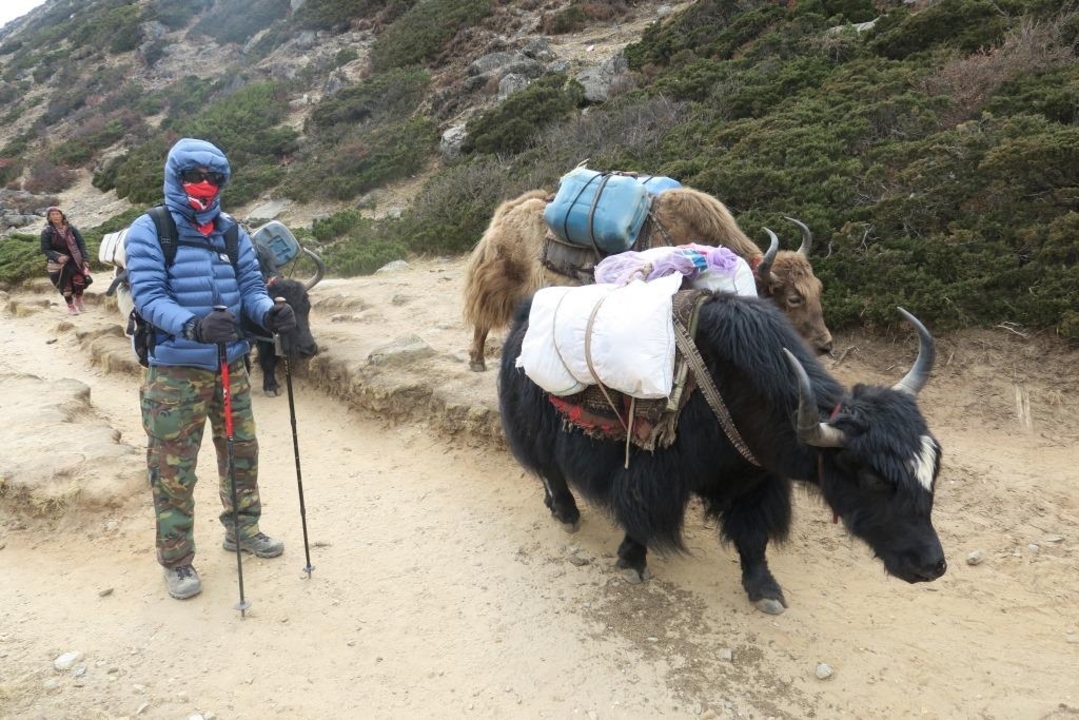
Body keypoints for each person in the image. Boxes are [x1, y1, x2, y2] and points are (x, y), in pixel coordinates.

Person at [125, 137, 298, 600]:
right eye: (193, 176)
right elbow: (149, 298)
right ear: (175, 178)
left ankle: (242, 529)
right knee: (173, 469)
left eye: (214, 178)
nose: (203, 186)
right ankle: (177, 559)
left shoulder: (232, 231)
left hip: (230, 365)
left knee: (242, 452)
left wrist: (268, 312)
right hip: (173, 374)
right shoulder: (150, 229)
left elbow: (250, 288)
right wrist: (194, 326)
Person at [40, 206, 92, 314]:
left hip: (75, 259)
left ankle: (78, 300)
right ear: (49, 217)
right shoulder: (46, 232)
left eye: (57, 214)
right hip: (60, 263)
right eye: (52, 214)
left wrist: (85, 258)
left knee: (80, 280)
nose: (55, 216)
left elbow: (81, 243)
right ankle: (70, 306)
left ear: (61, 215)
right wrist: (57, 257)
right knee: (66, 284)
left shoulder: (70, 228)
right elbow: (46, 249)